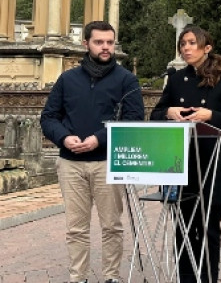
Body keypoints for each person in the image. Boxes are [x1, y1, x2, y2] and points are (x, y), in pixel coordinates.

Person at [41, 20, 145, 283]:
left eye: (110, 42)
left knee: (111, 226)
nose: (106, 47)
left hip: (108, 162)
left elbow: (133, 120)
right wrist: (64, 138)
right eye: (99, 42)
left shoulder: (126, 80)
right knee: (76, 228)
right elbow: (49, 117)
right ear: (85, 43)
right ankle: (79, 277)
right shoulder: (67, 79)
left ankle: (111, 277)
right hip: (71, 164)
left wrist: (99, 139)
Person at [150, 26, 221, 283]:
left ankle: (207, 279)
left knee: (208, 230)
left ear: (207, 48)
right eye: (183, 44)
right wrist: (168, 113)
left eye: (192, 43)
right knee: (182, 229)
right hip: (179, 165)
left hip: (213, 166)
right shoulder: (174, 78)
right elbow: (155, 115)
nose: (186, 48)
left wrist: (211, 116)